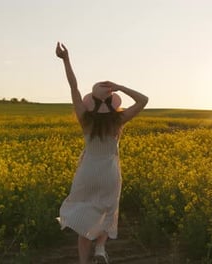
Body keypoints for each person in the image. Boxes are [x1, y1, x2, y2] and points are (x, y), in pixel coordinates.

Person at [55, 42, 148, 264]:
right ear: (113, 102)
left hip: (87, 173)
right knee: (108, 209)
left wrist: (66, 60)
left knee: (84, 215)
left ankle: (83, 261)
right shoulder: (119, 120)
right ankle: (100, 249)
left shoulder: (85, 120)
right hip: (109, 173)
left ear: (91, 102)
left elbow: (73, 87)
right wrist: (120, 86)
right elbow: (143, 100)